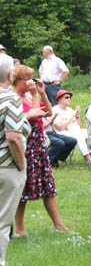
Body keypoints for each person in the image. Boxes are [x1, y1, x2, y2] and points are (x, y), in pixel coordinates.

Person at [12, 65, 70, 236]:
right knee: (23, 188)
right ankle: (19, 229)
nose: (31, 82)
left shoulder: (30, 96)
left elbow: (48, 113)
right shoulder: (14, 99)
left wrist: (42, 93)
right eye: (27, 79)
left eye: (32, 78)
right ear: (18, 81)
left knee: (48, 185)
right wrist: (35, 95)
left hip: (39, 145)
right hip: (26, 146)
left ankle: (59, 225)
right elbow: (36, 115)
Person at [0, 54, 30, 266]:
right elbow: (13, 137)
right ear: (11, 75)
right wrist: (21, 164)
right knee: (2, 223)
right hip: (6, 167)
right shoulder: (11, 99)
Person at [51, 90, 91, 166]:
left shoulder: (69, 109)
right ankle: (88, 160)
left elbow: (79, 126)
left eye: (70, 97)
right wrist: (72, 116)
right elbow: (60, 128)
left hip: (73, 131)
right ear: (59, 99)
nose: (69, 99)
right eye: (66, 97)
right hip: (60, 133)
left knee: (89, 132)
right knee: (78, 136)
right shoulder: (55, 110)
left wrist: (77, 116)